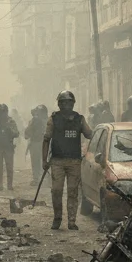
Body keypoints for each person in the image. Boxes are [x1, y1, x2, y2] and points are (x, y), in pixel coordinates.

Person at [43, 91, 93, 229]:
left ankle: (72, 221)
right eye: (63, 102)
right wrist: (44, 160)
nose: (66, 105)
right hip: (57, 161)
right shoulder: (53, 119)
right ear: (59, 104)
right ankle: (57, 218)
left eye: (69, 102)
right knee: (57, 190)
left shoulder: (80, 119)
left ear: (73, 103)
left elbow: (90, 134)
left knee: (72, 191)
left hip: (74, 161)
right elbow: (46, 140)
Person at [0, 104, 20, 191]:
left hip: (8, 147)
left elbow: (17, 133)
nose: (2, 114)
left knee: (9, 167)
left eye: (3, 112)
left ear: (6, 112)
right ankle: (0, 185)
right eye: (0, 112)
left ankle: (9, 185)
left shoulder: (11, 121)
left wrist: (10, 131)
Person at [25, 105, 49, 185]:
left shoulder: (35, 120)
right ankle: (46, 179)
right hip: (46, 143)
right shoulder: (50, 120)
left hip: (36, 143)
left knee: (36, 162)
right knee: (45, 161)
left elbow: (27, 132)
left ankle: (37, 179)